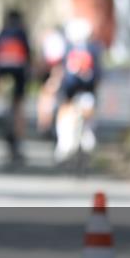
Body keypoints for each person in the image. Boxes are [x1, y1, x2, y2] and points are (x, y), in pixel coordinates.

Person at [53, 18, 102, 163]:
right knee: (89, 112)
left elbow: (61, 69)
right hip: (88, 90)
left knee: (64, 110)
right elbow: (98, 74)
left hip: (69, 89)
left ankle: (64, 143)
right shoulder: (94, 49)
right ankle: (88, 136)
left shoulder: (68, 48)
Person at [0, 9, 32, 168]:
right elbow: (28, 57)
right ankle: (19, 137)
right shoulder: (22, 34)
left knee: (5, 100)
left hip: (2, 70)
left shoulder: (2, 33)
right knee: (19, 106)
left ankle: (2, 113)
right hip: (19, 72)